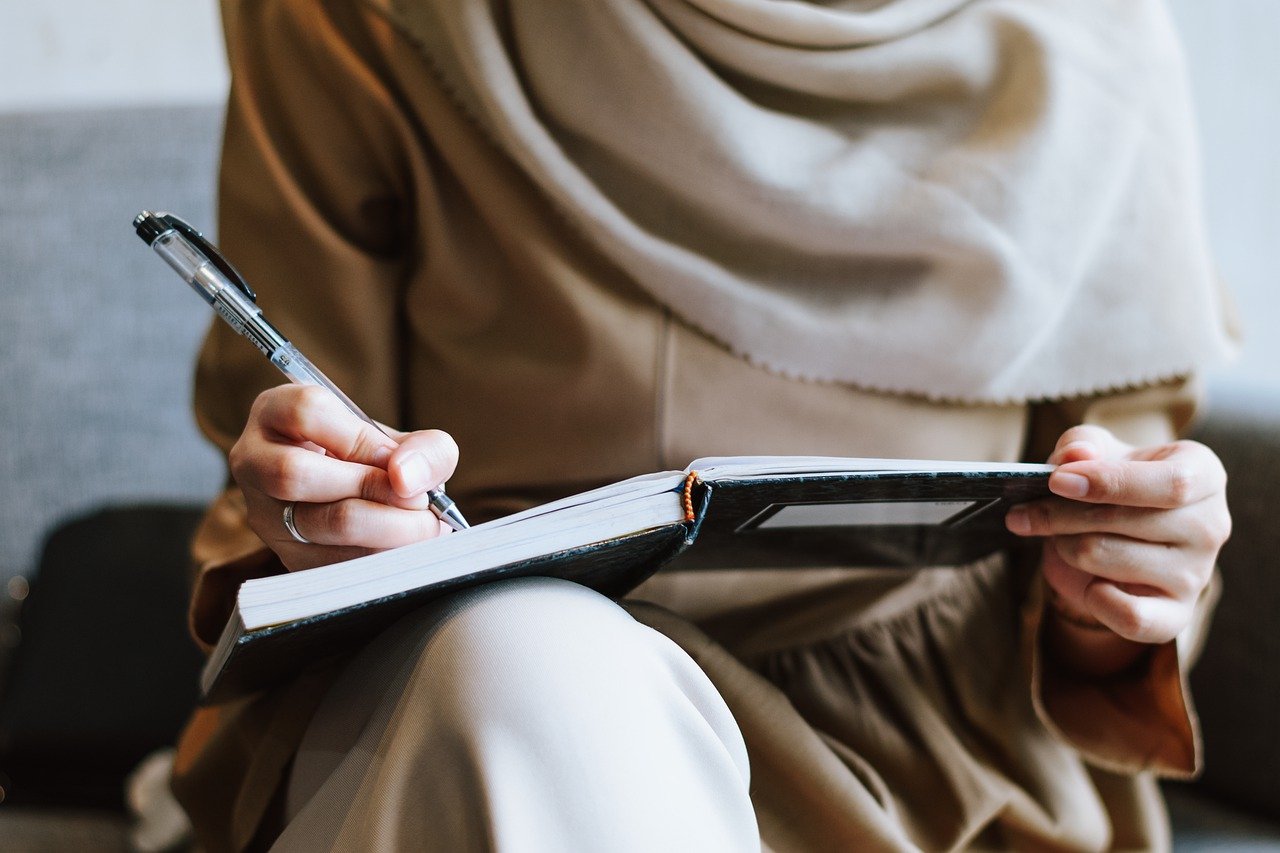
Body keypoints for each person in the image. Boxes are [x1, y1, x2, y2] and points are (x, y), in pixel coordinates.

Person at [170, 0, 1239, 850]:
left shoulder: (1094, 47)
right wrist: (323, 520)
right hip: (465, 707)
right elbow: (279, 478)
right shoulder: (361, 19)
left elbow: (1119, 547)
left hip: (925, 774)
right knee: (533, 664)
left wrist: (1124, 577)